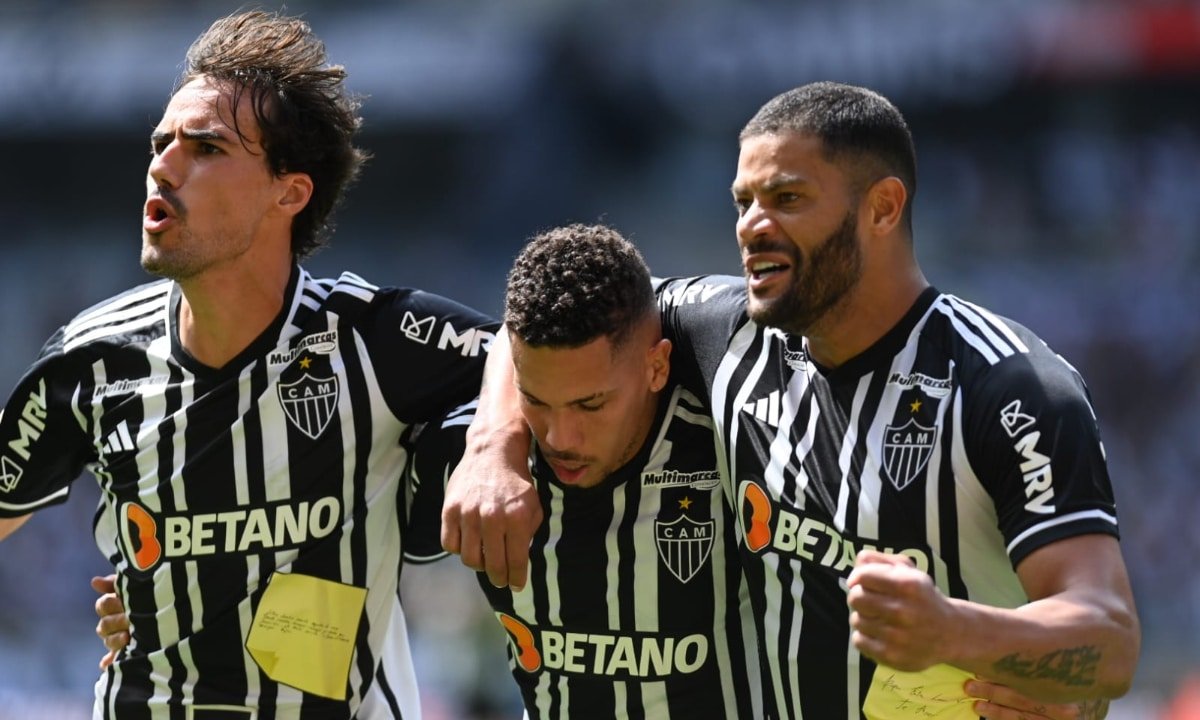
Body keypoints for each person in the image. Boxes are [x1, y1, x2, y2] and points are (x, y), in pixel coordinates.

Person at [439, 82, 1141, 719]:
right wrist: (493, 443)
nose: (751, 225)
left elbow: (1109, 640)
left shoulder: (1009, 386)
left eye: (788, 198)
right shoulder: (728, 333)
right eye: (743, 201)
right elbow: (550, 320)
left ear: (883, 208)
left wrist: (957, 631)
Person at [0, 10, 495, 719]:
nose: (163, 165)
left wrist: (494, 450)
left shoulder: (371, 342)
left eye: (205, 148)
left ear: (288, 192)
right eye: (161, 141)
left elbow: (534, 358)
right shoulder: (94, 359)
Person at [96, 223, 765, 718]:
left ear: (655, 367)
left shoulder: (727, 442)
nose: (561, 434)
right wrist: (173, 612)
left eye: (591, 404)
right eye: (536, 401)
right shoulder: (458, 459)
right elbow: (322, 575)